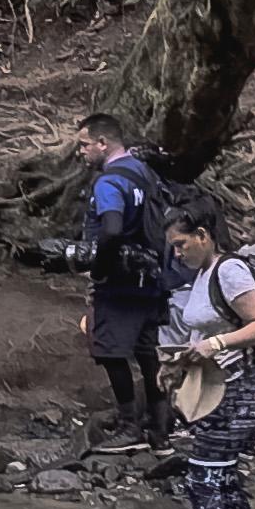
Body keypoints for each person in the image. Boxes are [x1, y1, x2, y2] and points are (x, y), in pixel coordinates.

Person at [160, 194, 255, 509]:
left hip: (242, 388)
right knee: (222, 475)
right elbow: (203, 331)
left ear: (203, 235)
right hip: (219, 388)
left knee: (202, 474)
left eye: (180, 245)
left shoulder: (229, 270)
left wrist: (215, 345)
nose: (177, 254)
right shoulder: (204, 273)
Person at [77, 111, 174, 443]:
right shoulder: (143, 172)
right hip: (152, 277)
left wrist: (99, 269)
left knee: (110, 352)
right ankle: (161, 426)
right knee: (148, 353)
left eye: (84, 145)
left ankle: (128, 424)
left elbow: (112, 229)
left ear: (103, 143)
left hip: (120, 284)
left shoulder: (109, 182)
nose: (81, 152)